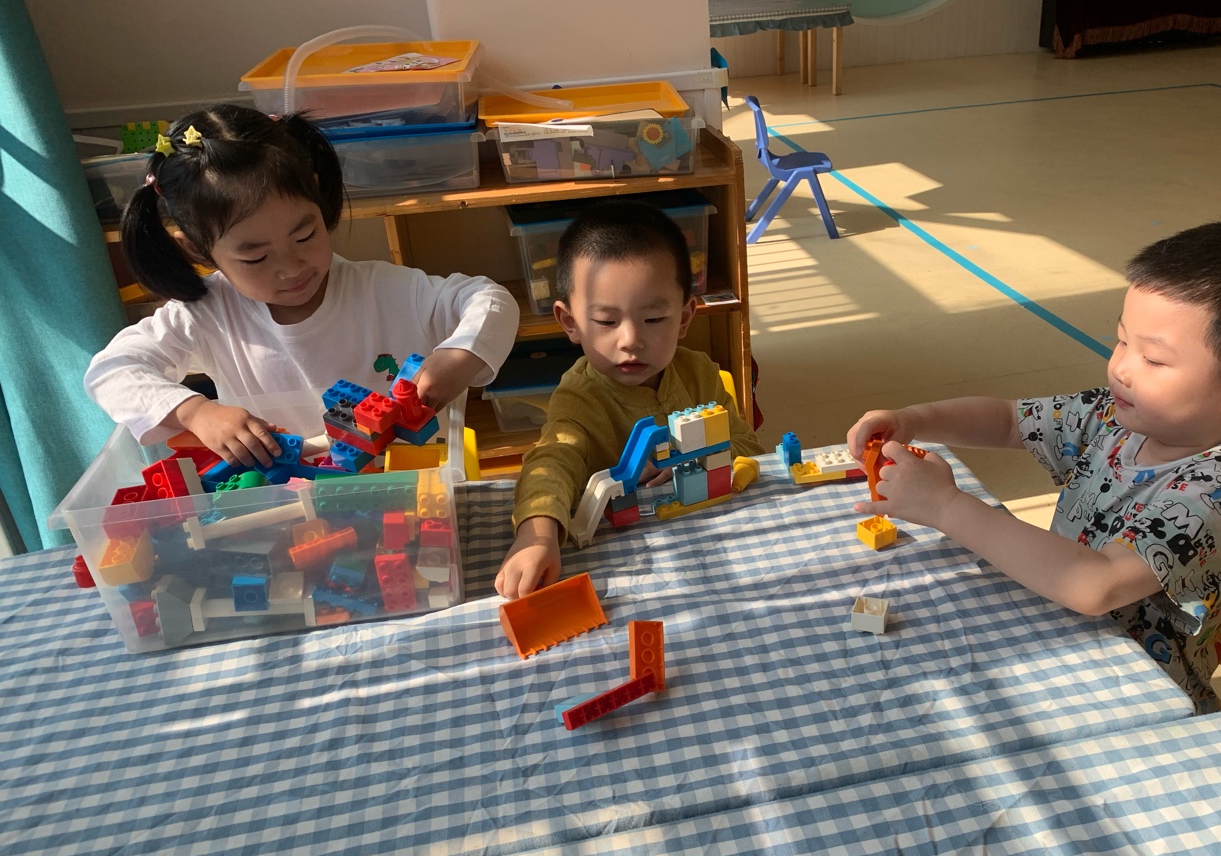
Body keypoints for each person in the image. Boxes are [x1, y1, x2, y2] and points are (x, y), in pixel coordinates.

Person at [845, 218, 1221, 712]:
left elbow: (1097, 585)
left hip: (1138, 696)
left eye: (1154, 360)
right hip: (1058, 629)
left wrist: (945, 507)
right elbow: (1008, 421)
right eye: (1122, 340)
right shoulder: (1116, 416)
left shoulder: (1215, 492)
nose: (1121, 368)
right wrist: (915, 420)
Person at [85, 104, 518, 467]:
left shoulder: (385, 290)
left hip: (408, 495)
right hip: (287, 512)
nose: (291, 268)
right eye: (256, 257)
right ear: (198, 249)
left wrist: (461, 353)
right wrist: (196, 411)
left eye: (305, 235)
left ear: (316, 196)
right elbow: (111, 371)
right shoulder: (206, 315)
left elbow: (489, 299)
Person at [496, 199, 762, 600]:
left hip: (716, 544)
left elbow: (748, 447)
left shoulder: (699, 373)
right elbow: (551, 462)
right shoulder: (580, 397)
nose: (631, 340)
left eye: (653, 319)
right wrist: (537, 534)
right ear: (570, 322)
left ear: (684, 317)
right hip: (633, 566)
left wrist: (694, 458)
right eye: (606, 321)